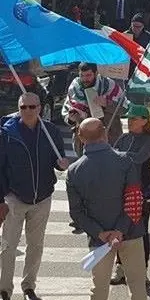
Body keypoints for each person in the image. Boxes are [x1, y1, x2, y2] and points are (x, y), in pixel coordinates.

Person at [66, 118, 146, 300]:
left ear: (80, 137)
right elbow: (134, 200)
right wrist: (119, 230)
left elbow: (76, 213)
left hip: (99, 238)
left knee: (99, 289)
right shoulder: (125, 160)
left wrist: (101, 233)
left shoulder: (74, 170)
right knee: (137, 287)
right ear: (105, 134)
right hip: (130, 232)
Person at [0, 93, 69, 300]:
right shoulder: (6, 133)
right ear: (18, 109)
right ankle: (4, 289)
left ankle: (29, 286)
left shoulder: (51, 131)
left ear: (40, 108)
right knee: (8, 247)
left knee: (36, 245)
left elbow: (58, 158)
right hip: (14, 198)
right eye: (24, 107)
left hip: (42, 198)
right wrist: (1, 199)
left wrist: (61, 164)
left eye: (32, 107)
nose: (28, 111)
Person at [109, 104, 150, 286]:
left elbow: (137, 159)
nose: (129, 121)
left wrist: (116, 154)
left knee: (140, 232)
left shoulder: (148, 140)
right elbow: (112, 158)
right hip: (122, 191)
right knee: (121, 230)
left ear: (144, 121)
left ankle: (142, 270)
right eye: (129, 118)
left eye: (134, 118)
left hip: (143, 192)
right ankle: (120, 267)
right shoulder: (124, 137)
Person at [62, 62, 126, 155]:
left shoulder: (109, 85)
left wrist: (107, 103)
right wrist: (71, 119)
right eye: (82, 75)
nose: (85, 79)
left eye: (88, 75)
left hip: (109, 138)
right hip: (84, 142)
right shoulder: (74, 88)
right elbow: (66, 110)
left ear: (96, 73)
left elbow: (124, 108)